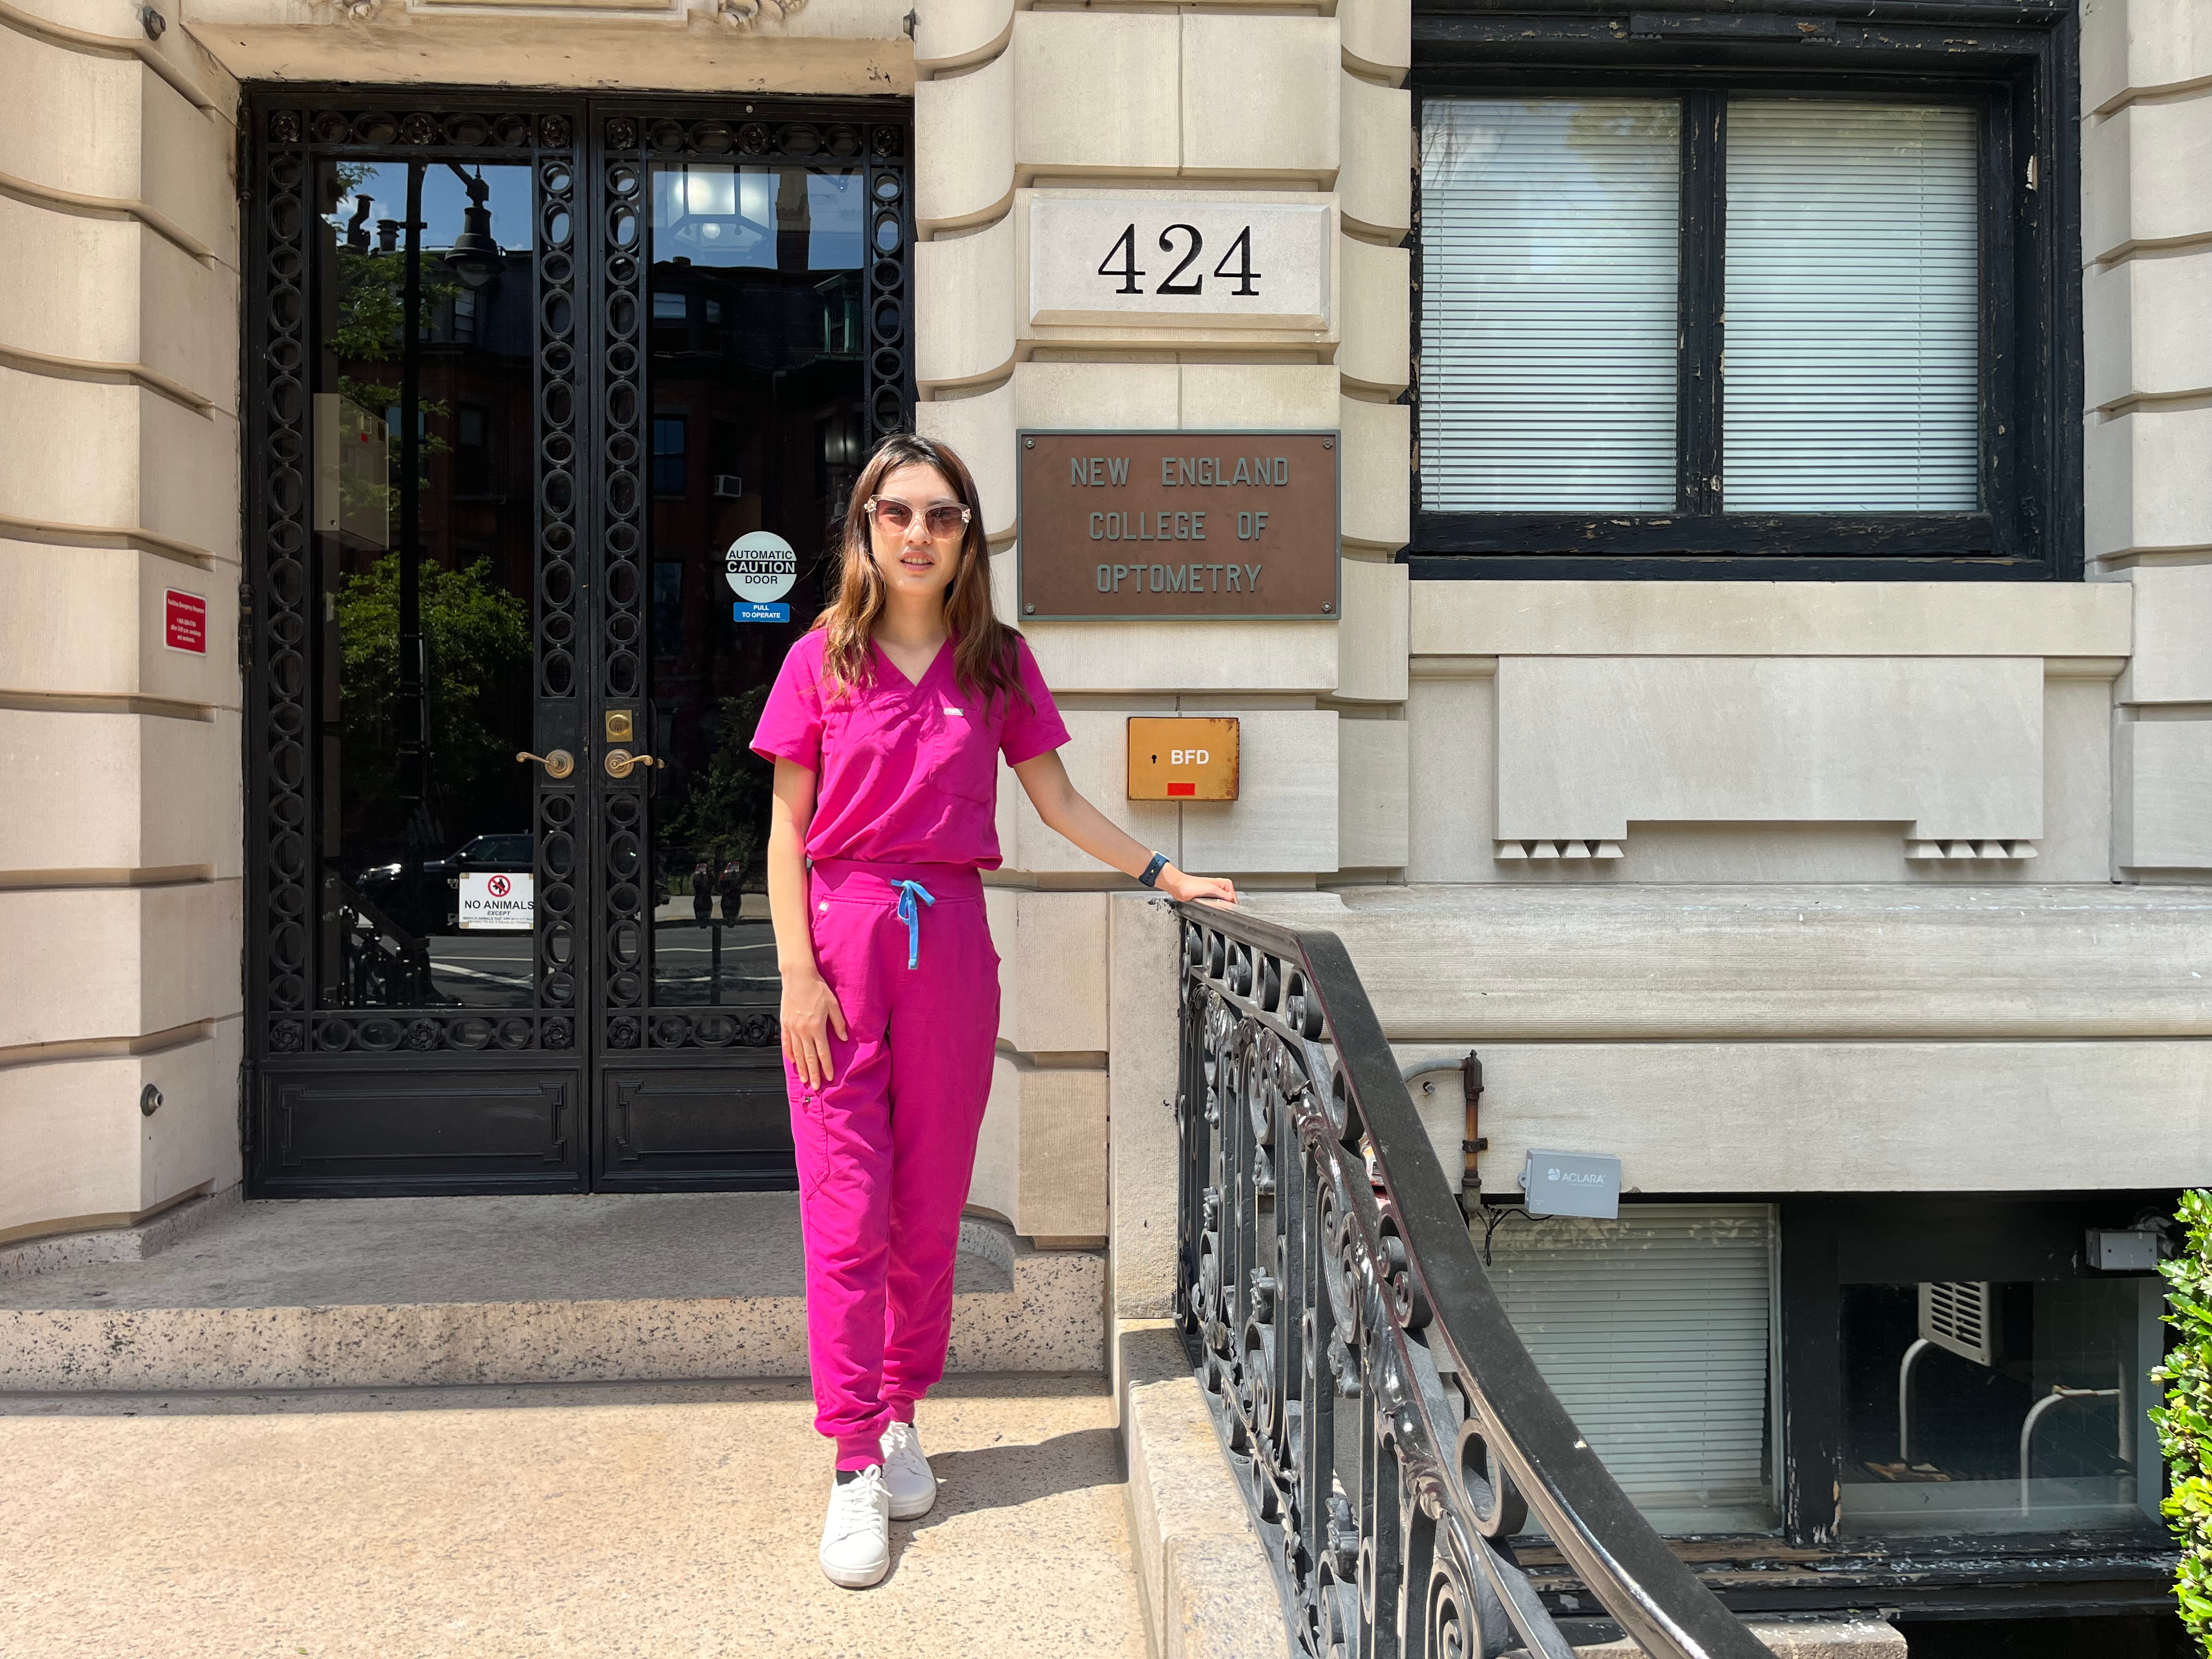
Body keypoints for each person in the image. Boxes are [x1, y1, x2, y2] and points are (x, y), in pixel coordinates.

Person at [750, 432, 1235, 1590]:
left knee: (927, 1207)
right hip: (842, 937)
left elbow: (1057, 798)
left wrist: (1162, 875)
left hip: (952, 944)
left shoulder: (998, 663)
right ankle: (854, 1459)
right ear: (865, 527)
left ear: (968, 536)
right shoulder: (822, 659)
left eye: (943, 514)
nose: (918, 533)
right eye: (897, 511)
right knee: (846, 1210)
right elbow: (782, 832)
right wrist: (796, 975)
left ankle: (906, 1405)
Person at [690, 859, 713, 927]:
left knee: (705, 916)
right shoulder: (695, 875)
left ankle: (704, 920)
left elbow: (712, 884)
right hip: (701, 900)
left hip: (705, 900)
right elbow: (694, 885)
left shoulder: (709, 875)